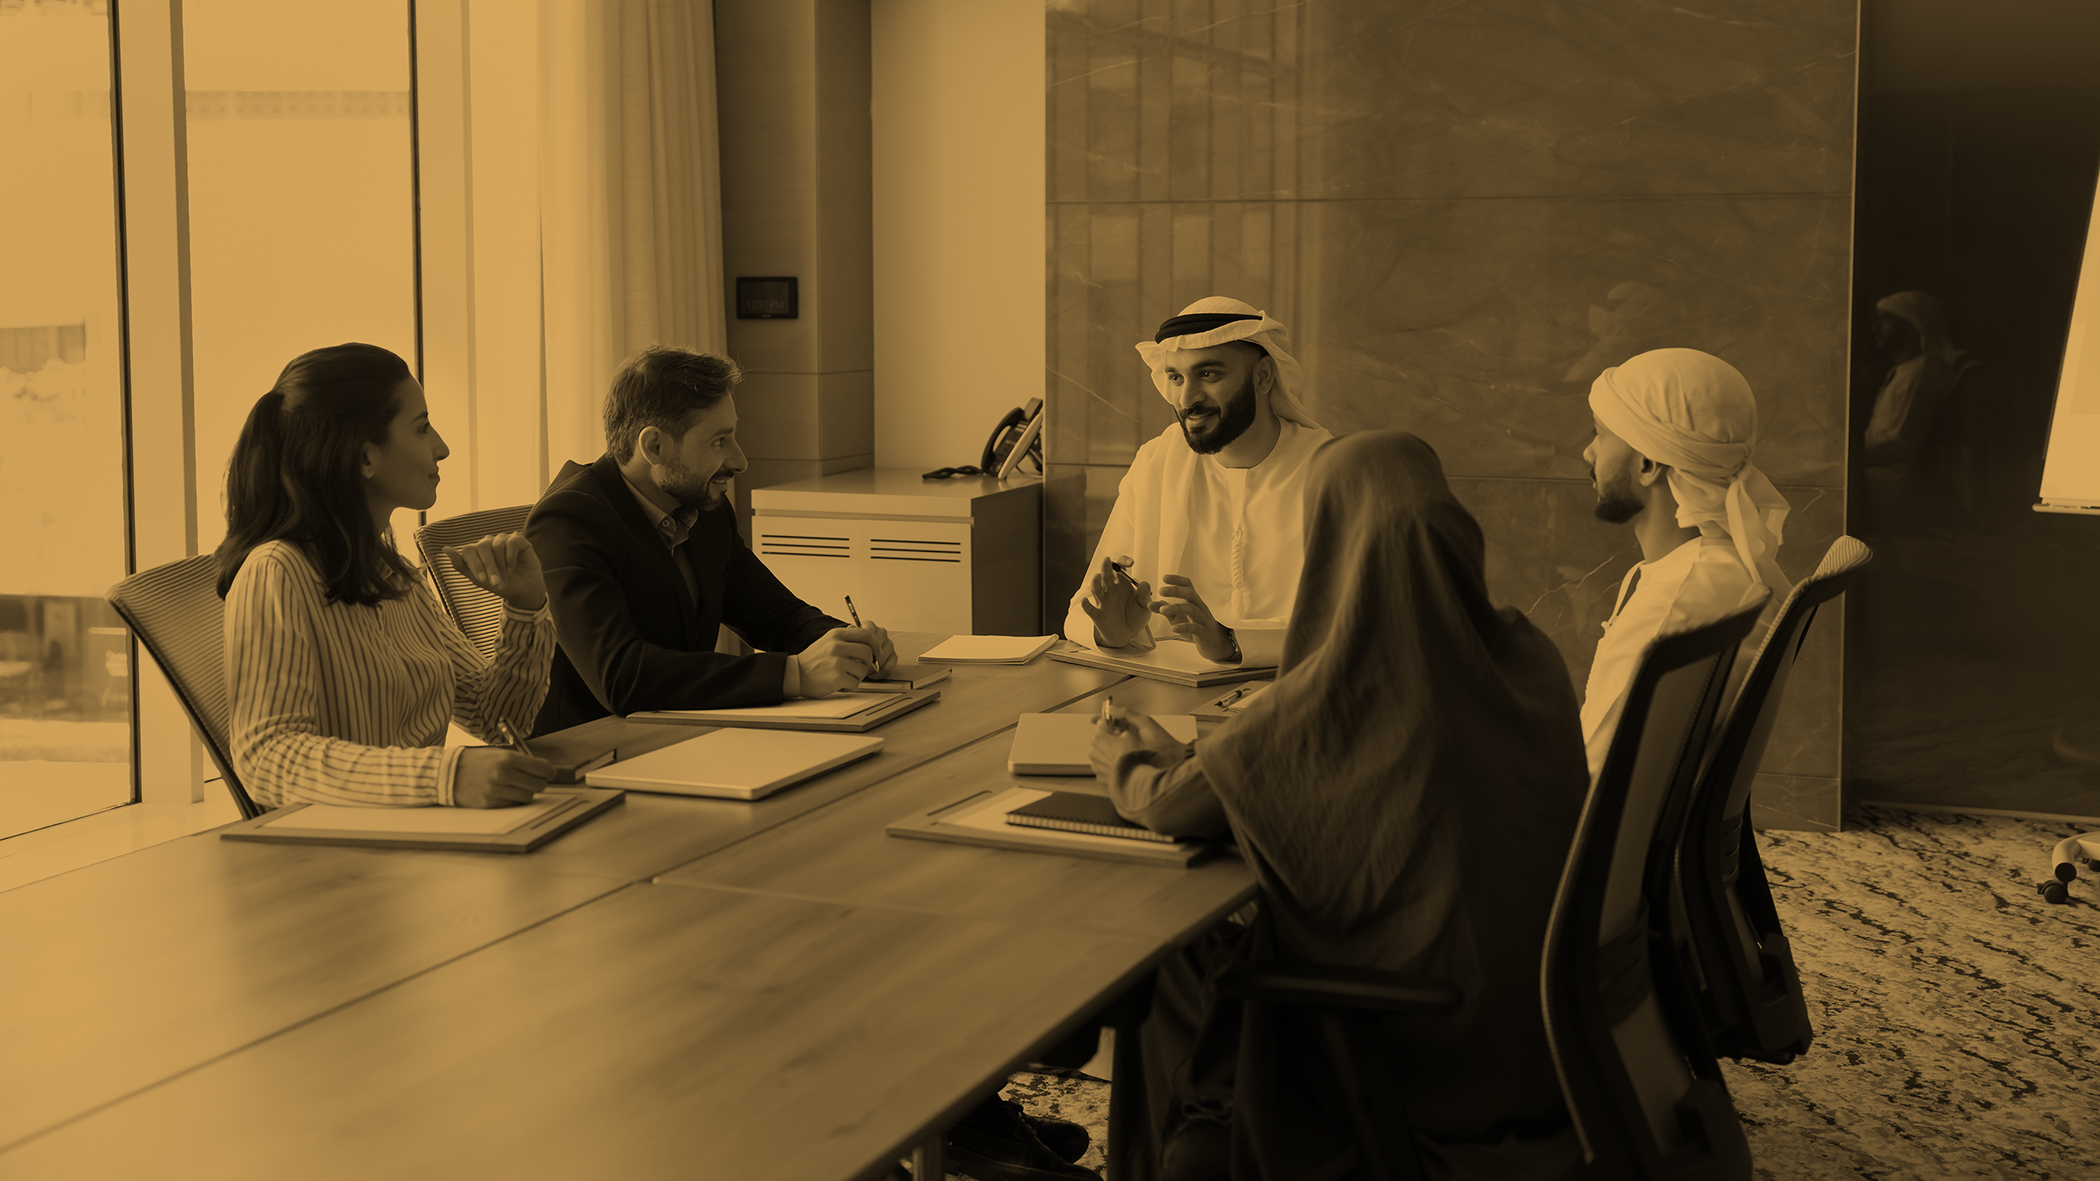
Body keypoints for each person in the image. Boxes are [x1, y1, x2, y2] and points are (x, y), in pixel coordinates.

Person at [1088, 431, 1589, 1179]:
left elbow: (1164, 804)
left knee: (1178, 944)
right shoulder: (1530, 655)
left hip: (1412, 1044)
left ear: (1329, 549)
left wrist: (1124, 753)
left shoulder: (1329, 696)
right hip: (1544, 1034)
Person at [218, 343, 557, 809]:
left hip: (419, 833)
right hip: (340, 848)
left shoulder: (395, 576)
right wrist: (443, 777)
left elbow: (496, 719)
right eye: (422, 427)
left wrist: (525, 607)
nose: (442, 447)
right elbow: (267, 757)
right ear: (365, 458)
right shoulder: (275, 573)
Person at [527, 345, 894, 735]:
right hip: (591, 751)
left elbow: (775, 615)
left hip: (678, 733)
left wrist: (848, 646)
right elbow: (622, 676)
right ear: (654, 446)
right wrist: (795, 674)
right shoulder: (567, 522)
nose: (739, 460)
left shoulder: (701, 507)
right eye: (719, 441)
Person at [1062, 297, 1333, 668]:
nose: (1187, 398)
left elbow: (1358, 622)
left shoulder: (1330, 470)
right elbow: (1082, 609)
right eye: (1176, 378)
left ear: (1263, 377)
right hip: (1169, 690)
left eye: (1209, 374)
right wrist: (1111, 632)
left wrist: (1230, 641)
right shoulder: (1157, 463)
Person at [1579, 348, 1790, 782]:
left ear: (1647, 464)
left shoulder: (1674, 605)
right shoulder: (1724, 569)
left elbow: (1590, 780)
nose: (1588, 452)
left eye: (1601, 435)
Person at [1862, 290, 1971, 530]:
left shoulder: (1923, 373)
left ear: (1914, 326)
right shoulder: (1905, 371)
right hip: (1884, 477)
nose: (1875, 328)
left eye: (1886, 319)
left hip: (1901, 485)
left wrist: (1849, 458)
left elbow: (1901, 446)